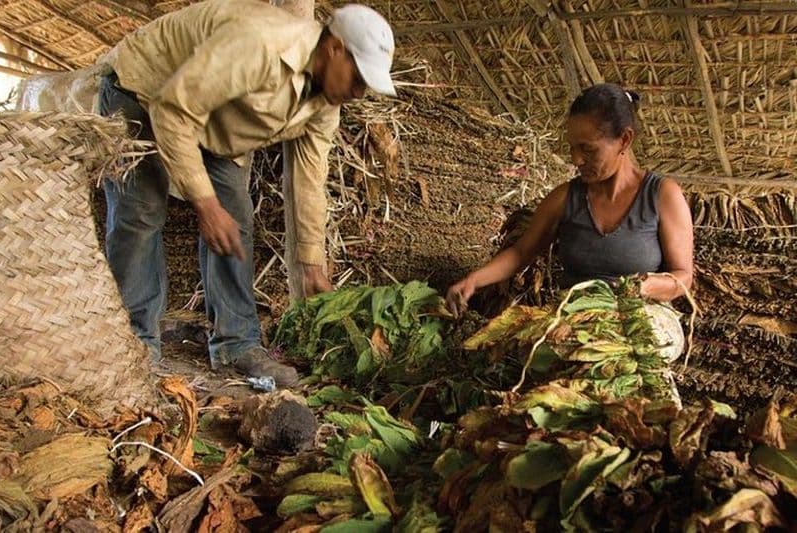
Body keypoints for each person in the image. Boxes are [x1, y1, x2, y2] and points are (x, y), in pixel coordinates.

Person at [98, 0, 396, 386]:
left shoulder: (326, 104)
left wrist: (311, 264)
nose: (359, 92)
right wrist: (205, 204)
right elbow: (173, 112)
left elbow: (310, 178)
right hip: (144, 89)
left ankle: (236, 344)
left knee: (235, 220)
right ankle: (135, 344)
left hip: (215, 121)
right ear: (335, 47)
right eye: (359, 78)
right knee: (142, 210)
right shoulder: (260, 45)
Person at [447, 83, 694, 356]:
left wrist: (644, 287)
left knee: (616, 357)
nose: (577, 160)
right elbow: (520, 253)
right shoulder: (564, 198)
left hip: (640, 321)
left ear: (624, 140)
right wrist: (474, 280)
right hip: (574, 321)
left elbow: (683, 276)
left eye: (587, 150)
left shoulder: (662, 195)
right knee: (532, 350)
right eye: (572, 148)